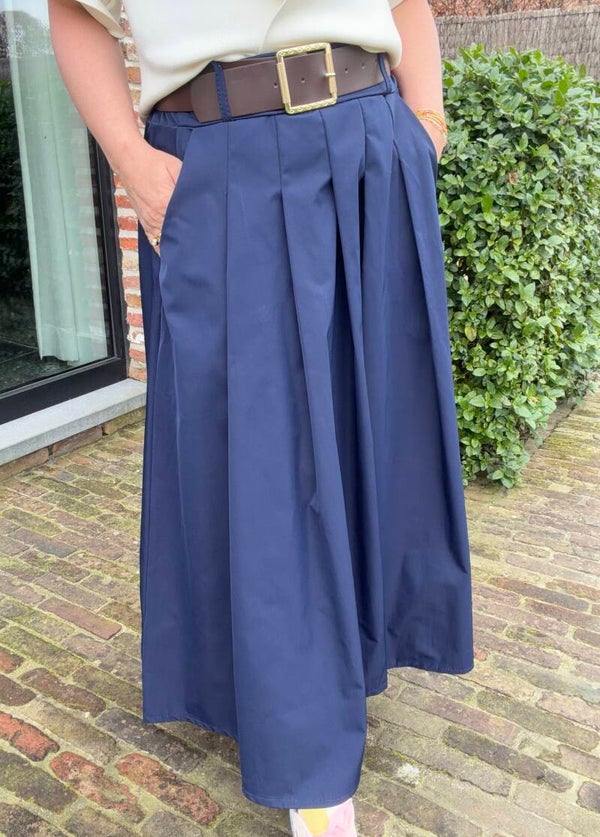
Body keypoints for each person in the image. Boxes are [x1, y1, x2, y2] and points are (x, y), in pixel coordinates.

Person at [48, 2, 474, 835]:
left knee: (375, 427)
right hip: (223, 163)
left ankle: (355, 652)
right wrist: (131, 160)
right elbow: (72, 9)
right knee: (269, 458)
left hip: (369, 148)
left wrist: (426, 122)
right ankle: (309, 757)